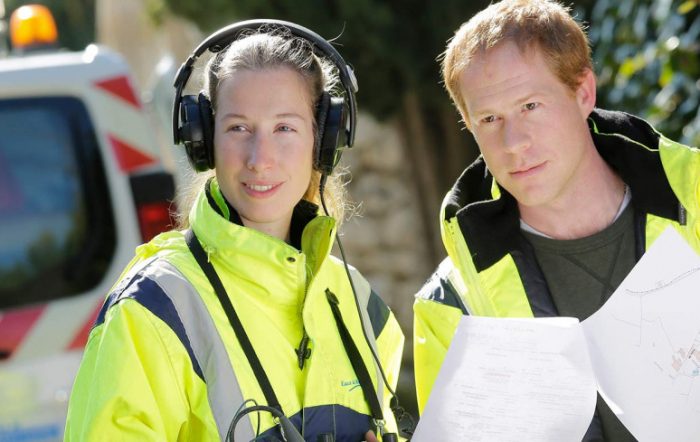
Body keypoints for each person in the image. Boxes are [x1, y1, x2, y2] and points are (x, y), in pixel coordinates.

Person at [65, 20, 404, 442]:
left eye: (284, 128)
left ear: (323, 141)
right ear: (203, 142)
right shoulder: (152, 309)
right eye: (238, 128)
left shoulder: (362, 308)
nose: (260, 159)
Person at [413, 0, 699, 440]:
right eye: (489, 119)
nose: (513, 143)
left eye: (530, 106)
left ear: (583, 92)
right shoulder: (452, 306)